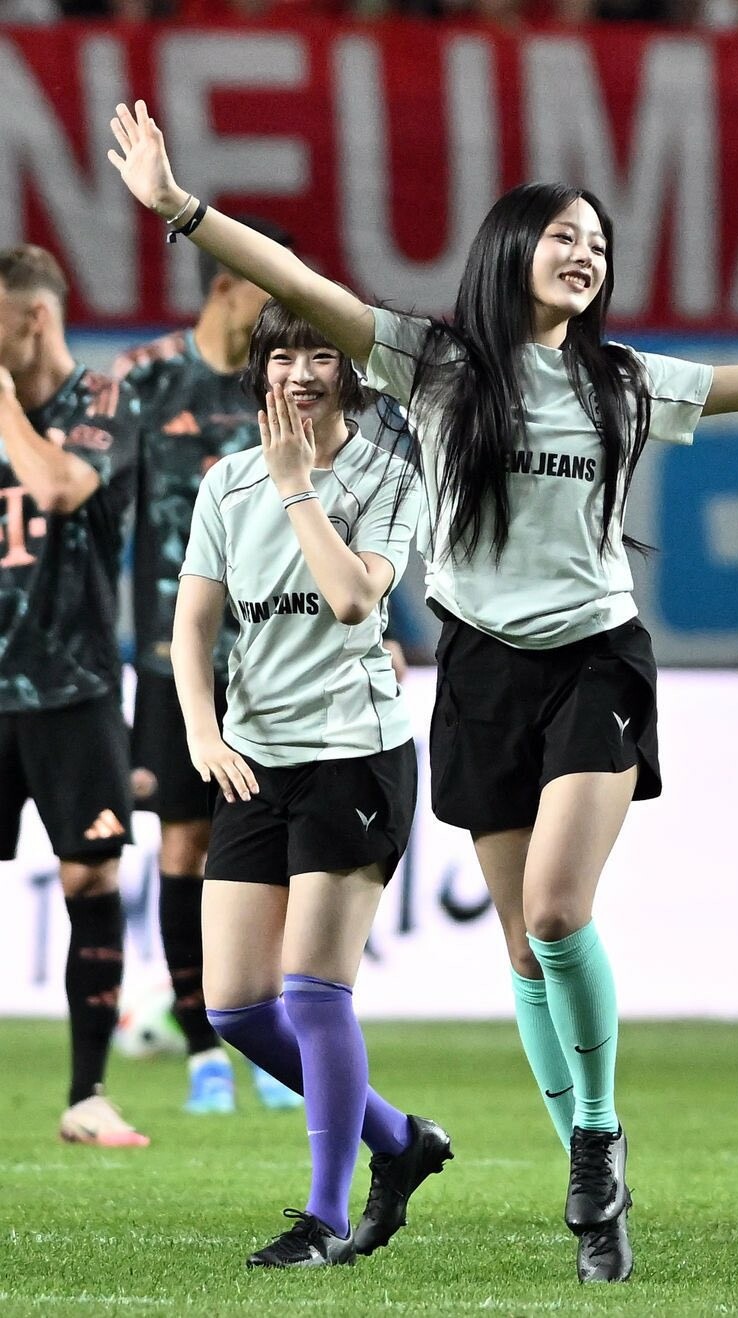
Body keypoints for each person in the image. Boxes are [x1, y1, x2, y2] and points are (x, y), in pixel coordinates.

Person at [107, 98, 738, 1284]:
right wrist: (181, 209)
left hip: (596, 662)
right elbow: (298, 283)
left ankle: (597, 1134)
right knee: (522, 944)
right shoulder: (435, 367)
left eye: (597, 242)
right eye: (565, 234)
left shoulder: (620, 379)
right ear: (513, 247)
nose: (585, 253)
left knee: (559, 912)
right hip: (481, 671)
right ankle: (588, 1165)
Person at [172, 296, 451, 1268]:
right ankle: (400, 1139)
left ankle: (325, 1219)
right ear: (260, 371)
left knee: (316, 992)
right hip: (255, 758)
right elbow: (193, 623)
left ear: (352, 372)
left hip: (353, 753)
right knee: (237, 1007)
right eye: (282, 356)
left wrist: (298, 491)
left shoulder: (388, 476)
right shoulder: (225, 482)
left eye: (321, 355)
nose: (299, 373)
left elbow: (351, 599)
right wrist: (202, 730)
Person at [112, 215, 307, 1116]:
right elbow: (95, 506)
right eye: (268, 280)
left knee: (278, 853)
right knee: (183, 845)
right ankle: (201, 1050)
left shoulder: (285, 382)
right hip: (174, 657)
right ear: (225, 284)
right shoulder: (146, 379)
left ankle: (264, 1036)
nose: (286, 297)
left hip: (278, 655)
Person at [0, 244, 147, 1147]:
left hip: (73, 685)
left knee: (91, 876)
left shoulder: (104, 403)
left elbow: (57, 487)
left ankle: (88, 1095)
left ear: (35, 317)